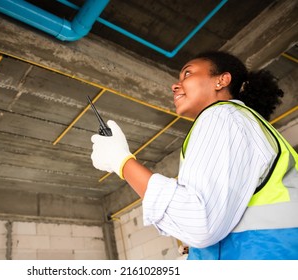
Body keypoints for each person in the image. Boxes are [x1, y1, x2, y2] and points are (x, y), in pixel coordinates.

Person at [90, 51, 298, 260]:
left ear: (221, 80)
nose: (175, 85)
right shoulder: (242, 121)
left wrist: (122, 161)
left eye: (187, 74)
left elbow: (200, 223)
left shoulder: (221, 116)